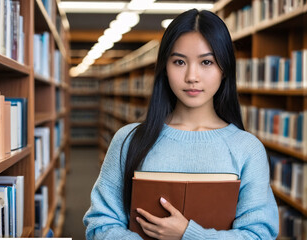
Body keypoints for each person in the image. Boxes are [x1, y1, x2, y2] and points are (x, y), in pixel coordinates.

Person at [83, 8, 279, 240]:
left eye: (206, 62)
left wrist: (187, 234)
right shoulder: (128, 140)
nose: (191, 76)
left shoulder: (247, 148)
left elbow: (259, 234)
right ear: (164, 68)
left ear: (224, 69)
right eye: (179, 62)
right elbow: (100, 224)